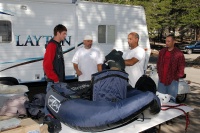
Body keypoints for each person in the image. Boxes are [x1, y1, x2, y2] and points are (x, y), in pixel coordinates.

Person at [43, 24, 67, 117]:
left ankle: (53, 119)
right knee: (50, 104)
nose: (65, 35)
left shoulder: (58, 45)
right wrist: (55, 78)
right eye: (64, 33)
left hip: (58, 81)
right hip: (53, 82)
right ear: (58, 33)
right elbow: (47, 64)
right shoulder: (52, 45)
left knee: (56, 104)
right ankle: (48, 121)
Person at [157, 34, 185, 102]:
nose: (166, 43)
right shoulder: (162, 51)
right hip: (161, 80)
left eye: (169, 41)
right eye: (166, 41)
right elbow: (158, 63)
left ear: (173, 42)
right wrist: (159, 72)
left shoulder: (179, 53)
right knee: (160, 100)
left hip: (172, 81)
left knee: (171, 100)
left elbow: (181, 67)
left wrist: (176, 77)